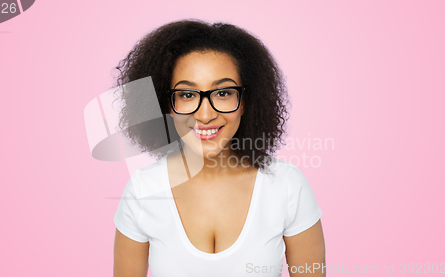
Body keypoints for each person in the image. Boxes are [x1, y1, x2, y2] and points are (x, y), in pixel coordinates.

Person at [113, 19, 325, 277]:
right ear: (167, 105)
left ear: (245, 101)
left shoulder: (287, 186)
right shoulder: (143, 190)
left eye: (223, 93)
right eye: (188, 95)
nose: (205, 115)